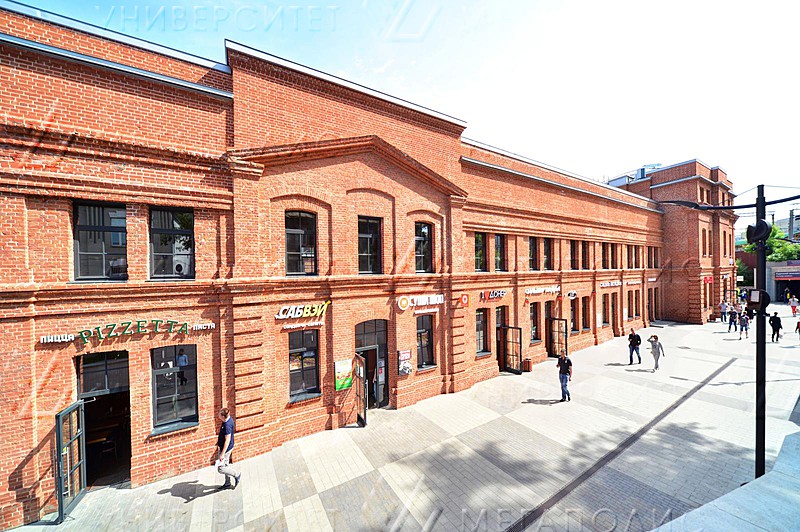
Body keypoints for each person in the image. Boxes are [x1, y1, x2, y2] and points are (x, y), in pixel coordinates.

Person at [215, 408, 241, 489]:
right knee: (225, 465)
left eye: (219, 414)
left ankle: (236, 475)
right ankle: (227, 483)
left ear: (223, 416)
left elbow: (227, 440)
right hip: (224, 448)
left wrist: (222, 454)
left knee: (221, 468)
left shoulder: (227, 425)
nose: (218, 414)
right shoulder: (227, 420)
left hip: (225, 450)